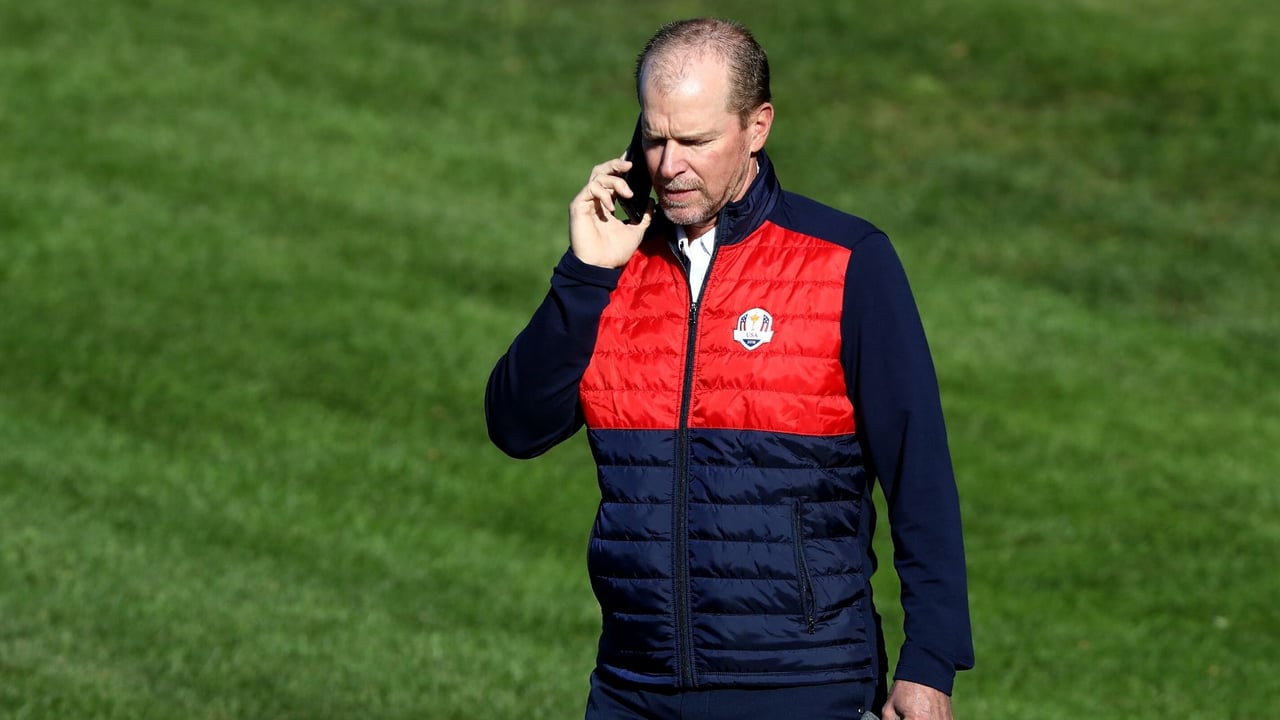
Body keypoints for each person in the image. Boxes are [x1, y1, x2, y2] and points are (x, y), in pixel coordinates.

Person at [485, 17, 973, 720]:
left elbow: (918, 473)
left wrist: (929, 663)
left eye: (696, 141)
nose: (669, 165)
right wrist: (584, 274)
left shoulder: (847, 262)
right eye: (654, 139)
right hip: (634, 690)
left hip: (805, 688)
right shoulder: (614, 267)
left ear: (757, 126)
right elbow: (516, 426)